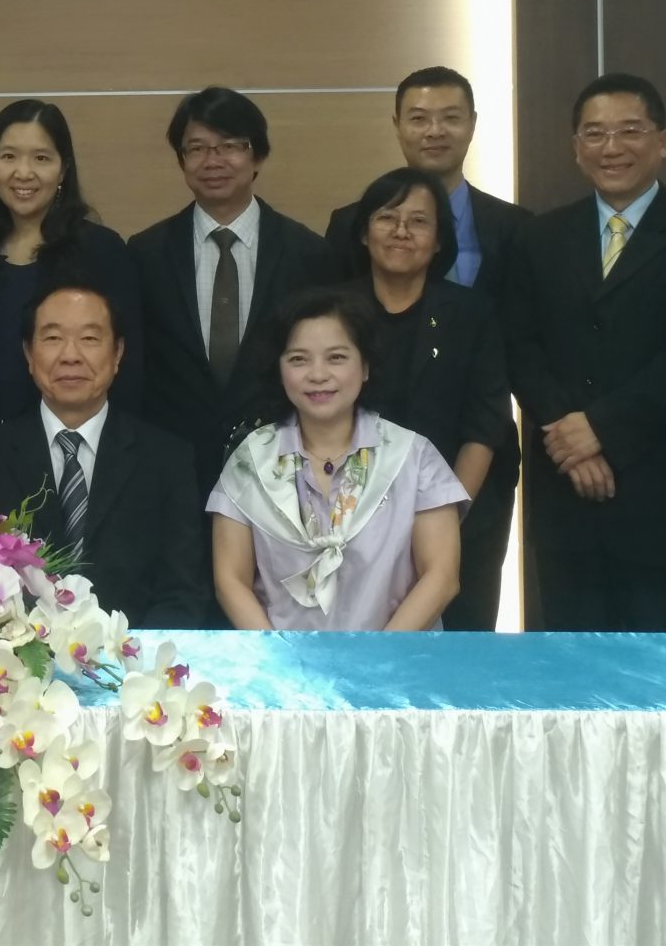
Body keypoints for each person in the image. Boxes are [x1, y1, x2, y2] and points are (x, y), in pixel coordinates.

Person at [503, 74, 666, 632]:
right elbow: (519, 346)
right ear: (576, 147)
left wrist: (601, 429)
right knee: (573, 671)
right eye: (595, 133)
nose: (611, 148)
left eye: (630, 131)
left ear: (663, 141)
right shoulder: (538, 238)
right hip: (568, 502)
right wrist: (571, 442)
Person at [323, 67, 527, 630]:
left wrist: (445, 514)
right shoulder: (338, 307)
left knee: (462, 636)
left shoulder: (510, 239)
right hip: (349, 508)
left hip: (468, 490)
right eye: (387, 219)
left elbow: (489, 410)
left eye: (418, 222)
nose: (401, 232)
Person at [206, 286, 467, 631]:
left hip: (396, 658)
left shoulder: (414, 457)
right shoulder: (250, 461)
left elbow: (441, 577)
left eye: (336, 358)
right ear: (279, 369)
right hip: (280, 660)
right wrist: (278, 657)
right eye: (298, 359)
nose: (318, 374)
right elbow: (230, 580)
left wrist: (377, 656)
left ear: (366, 366)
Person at [0, 281, 209, 627]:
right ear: (29, 354)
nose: (70, 355)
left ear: (117, 353)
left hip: (134, 654)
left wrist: (132, 656)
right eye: (53, 338)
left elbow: (182, 592)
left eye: (89, 338)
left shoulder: (167, 460)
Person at [127, 86, 333, 470]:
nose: (213, 160)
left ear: (258, 155)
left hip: (279, 459)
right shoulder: (145, 253)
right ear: (181, 160)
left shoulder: (308, 254)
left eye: (229, 146)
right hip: (171, 462)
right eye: (197, 148)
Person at [0, 99, 143, 437]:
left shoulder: (101, 250)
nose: (23, 172)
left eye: (41, 158)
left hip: (76, 446)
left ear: (63, 170)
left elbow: (129, 365)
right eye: (9, 156)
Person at [324, 66, 531, 295]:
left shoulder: (518, 227)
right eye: (419, 119)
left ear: (472, 124)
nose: (435, 131)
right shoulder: (349, 224)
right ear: (397, 126)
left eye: (451, 118)